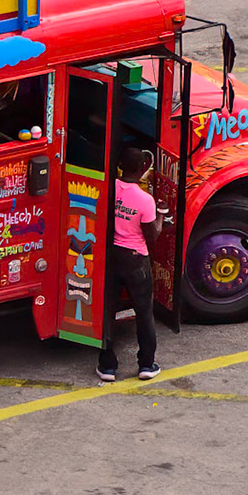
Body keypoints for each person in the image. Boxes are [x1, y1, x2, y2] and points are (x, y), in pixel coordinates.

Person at [98, 145, 164, 382]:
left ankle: (107, 366)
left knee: (107, 311)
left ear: (119, 166)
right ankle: (146, 364)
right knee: (144, 312)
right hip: (136, 260)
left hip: (111, 256)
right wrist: (161, 216)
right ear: (142, 168)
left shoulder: (109, 188)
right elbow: (152, 235)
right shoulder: (145, 200)